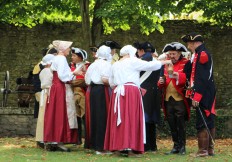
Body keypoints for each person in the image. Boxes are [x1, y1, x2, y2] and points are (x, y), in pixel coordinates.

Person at [104, 45, 172, 157]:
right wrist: (165, 61)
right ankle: (130, 149)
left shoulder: (115, 64)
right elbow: (150, 65)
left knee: (118, 120)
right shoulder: (132, 61)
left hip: (117, 91)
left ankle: (116, 148)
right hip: (130, 91)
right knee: (131, 119)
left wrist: (119, 86)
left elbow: (111, 82)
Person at [182, 32, 216, 157]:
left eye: (189, 43)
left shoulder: (202, 54)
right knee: (208, 119)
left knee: (203, 120)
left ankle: (203, 151)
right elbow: (189, 72)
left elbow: (202, 77)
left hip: (204, 91)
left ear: (195, 43)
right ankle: (209, 149)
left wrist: (197, 96)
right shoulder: (196, 54)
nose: (188, 45)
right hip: (205, 90)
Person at [43, 40, 79, 152]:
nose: (69, 50)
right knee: (61, 113)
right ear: (63, 49)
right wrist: (74, 73)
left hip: (55, 88)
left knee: (55, 113)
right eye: (68, 48)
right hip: (60, 88)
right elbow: (63, 76)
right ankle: (58, 140)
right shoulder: (62, 59)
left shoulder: (56, 58)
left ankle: (54, 140)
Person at [157, 42, 192, 155]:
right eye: (170, 54)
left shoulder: (186, 63)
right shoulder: (165, 63)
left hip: (180, 98)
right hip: (168, 98)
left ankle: (182, 146)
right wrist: (160, 82)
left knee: (180, 123)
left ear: (179, 53)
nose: (172, 56)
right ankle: (175, 146)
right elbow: (161, 80)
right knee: (171, 123)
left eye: (174, 54)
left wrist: (178, 76)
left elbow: (188, 79)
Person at [84, 45, 112, 154]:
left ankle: (94, 144)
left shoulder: (93, 65)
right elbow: (105, 80)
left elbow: (87, 80)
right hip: (102, 91)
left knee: (94, 116)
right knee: (102, 117)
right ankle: (100, 147)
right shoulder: (107, 65)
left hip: (92, 91)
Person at [134, 41, 161, 152]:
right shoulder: (157, 62)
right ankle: (152, 145)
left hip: (143, 91)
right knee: (151, 120)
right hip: (154, 93)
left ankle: (144, 145)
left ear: (141, 51)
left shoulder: (139, 62)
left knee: (143, 118)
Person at [70, 47, 90, 145]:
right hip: (73, 94)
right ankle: (77, 140)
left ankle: (87, 139)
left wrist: (74, 82)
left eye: (74, 55)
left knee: (85, 117)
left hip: (83, 94)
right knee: (75, 117)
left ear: (80, 57)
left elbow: (86, 80)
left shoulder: (87, 66)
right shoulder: (71, 67)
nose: (72, 57)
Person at [35, 54, 55, 148]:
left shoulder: (44, 71)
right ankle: (43, 138)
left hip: (46, 94)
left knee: (43, 116)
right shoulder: (47, 71)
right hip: (48, 94)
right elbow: (47, 84)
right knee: (45, 116)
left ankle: (42, 138)